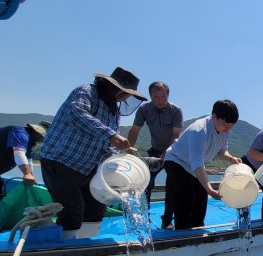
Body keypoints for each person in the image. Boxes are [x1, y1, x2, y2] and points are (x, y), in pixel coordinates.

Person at [40, 67, 147, 239]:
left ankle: (85, 244)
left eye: (128, 94)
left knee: (97, 206)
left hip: (87, 167)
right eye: (123, 91)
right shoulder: (86, 91)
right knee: (72, 209)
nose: (125, 96)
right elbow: (77, 113)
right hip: (61, 162)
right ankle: (67, 250)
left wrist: (118, 159)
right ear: (111, 85)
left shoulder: (114, 111)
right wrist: (111, 135)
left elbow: (108, 145)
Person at [163, 99, 240, 230]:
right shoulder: (199, 131)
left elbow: (221, 151)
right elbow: (197, 164)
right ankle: (183, 234)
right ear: (214, 116)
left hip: (194, 165)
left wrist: (232, 159)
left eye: (231, 125)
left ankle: (198, 229)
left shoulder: (225, 131)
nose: (228, 128)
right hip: (176, 161)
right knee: (186, 199)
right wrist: (210, 189)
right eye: (225, 124)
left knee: (201, 198)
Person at [127, 81, 183, 228]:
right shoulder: (144, 109)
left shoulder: (176, 110)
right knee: (145, 183)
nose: (160, 100)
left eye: (163, 96)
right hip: (155, 151)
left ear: (168, 95)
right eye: (156, 96)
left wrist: (167, 152)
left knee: (172, 186)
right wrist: (128, 149)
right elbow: (134, 130)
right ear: (151, 96)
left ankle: (167, 220)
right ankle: (143, 217)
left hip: (174, 152)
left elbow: (176, 134)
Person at [0, 121, 51, 207]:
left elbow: (28, 160)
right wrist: (27, 173)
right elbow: (19, 153)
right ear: (40, 134)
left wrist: (31, 175)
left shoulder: (29, 142)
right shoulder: (19, 133)